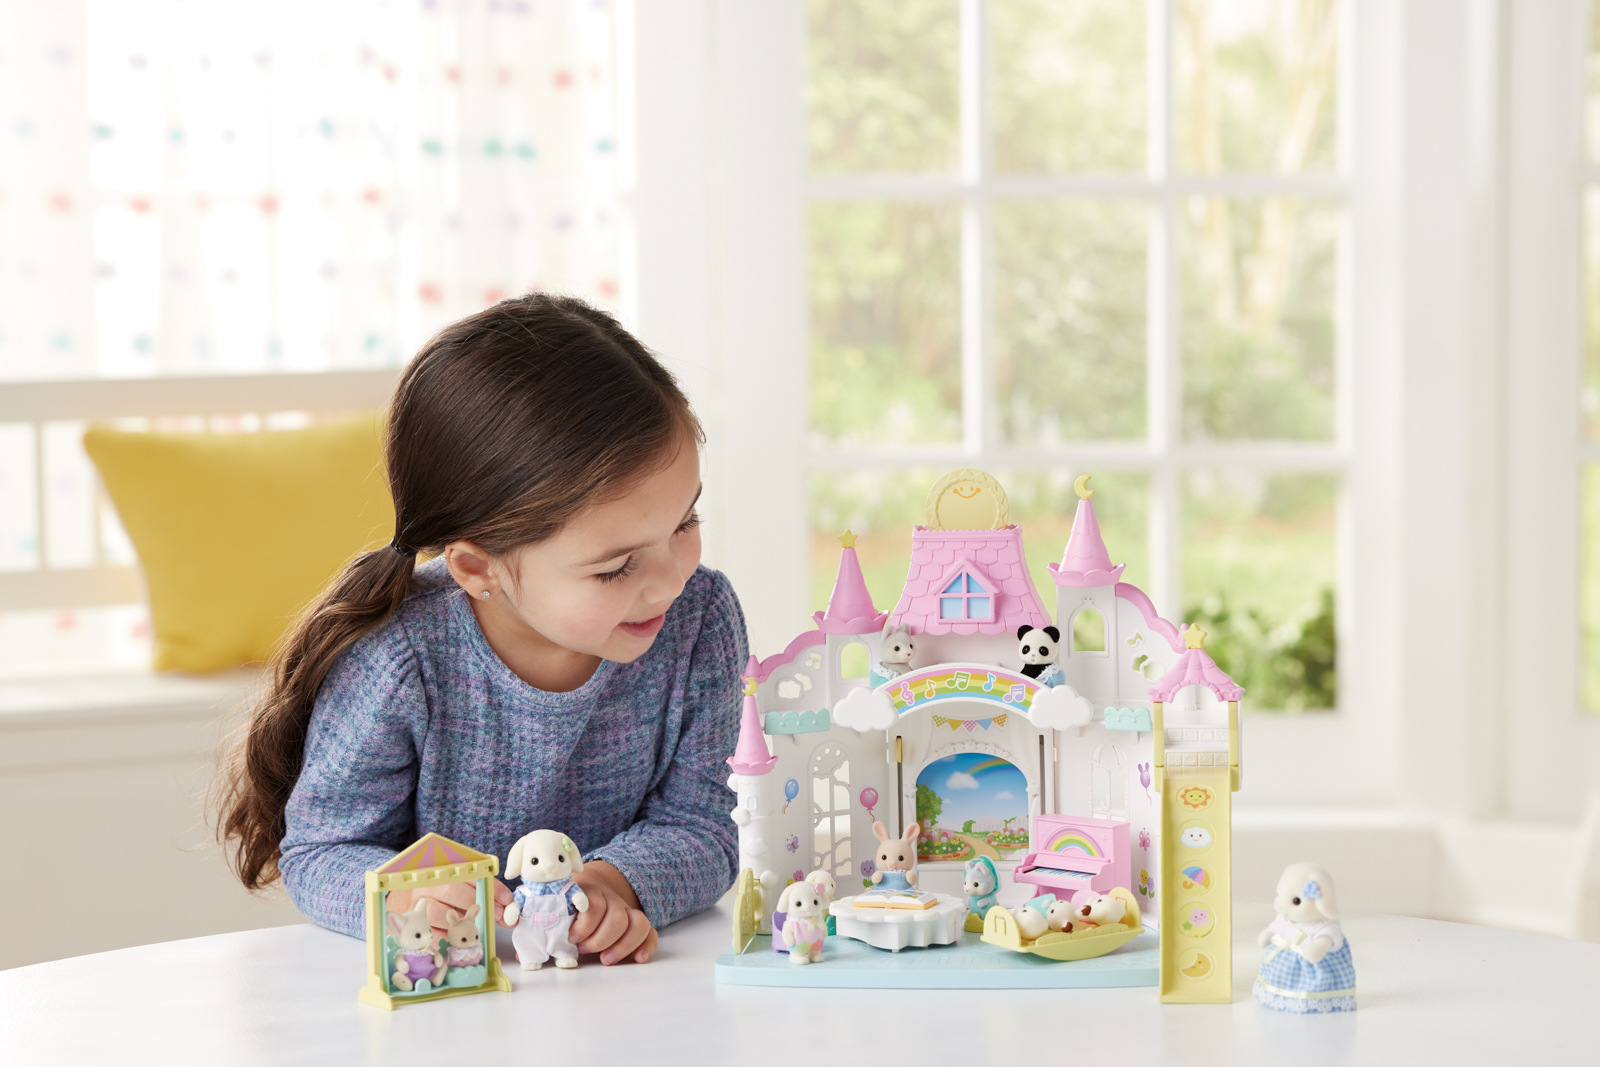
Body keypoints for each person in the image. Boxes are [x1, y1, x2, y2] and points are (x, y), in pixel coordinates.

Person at [215, 293, 745, 967]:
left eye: (684, 522)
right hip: (442, 991)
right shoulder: (400, 659)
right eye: (615, 568)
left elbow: (703, 825)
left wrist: (611, 886)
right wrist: (403, 897)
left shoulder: (701, 620)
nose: (670, 580)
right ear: (476, 567)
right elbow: (321, 852)